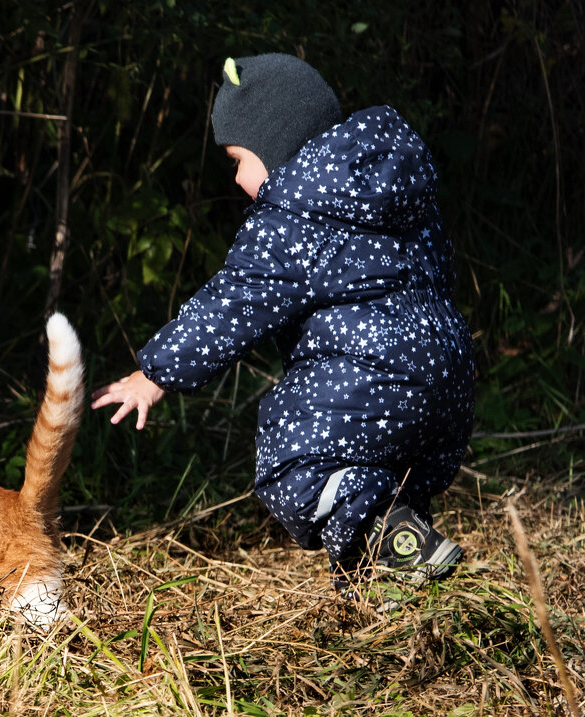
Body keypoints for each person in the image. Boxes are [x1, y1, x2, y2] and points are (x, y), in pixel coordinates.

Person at [91, 53, 475, 595]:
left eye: (237, 159)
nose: (236, 178)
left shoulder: (296, 209)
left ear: (274, 141)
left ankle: (394, 555)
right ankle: (397, 589)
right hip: (449, 374)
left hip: (369, 375)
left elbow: (233, 303)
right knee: (386, 488)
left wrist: (156, 373)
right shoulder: (394, 186)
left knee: (293, 461)